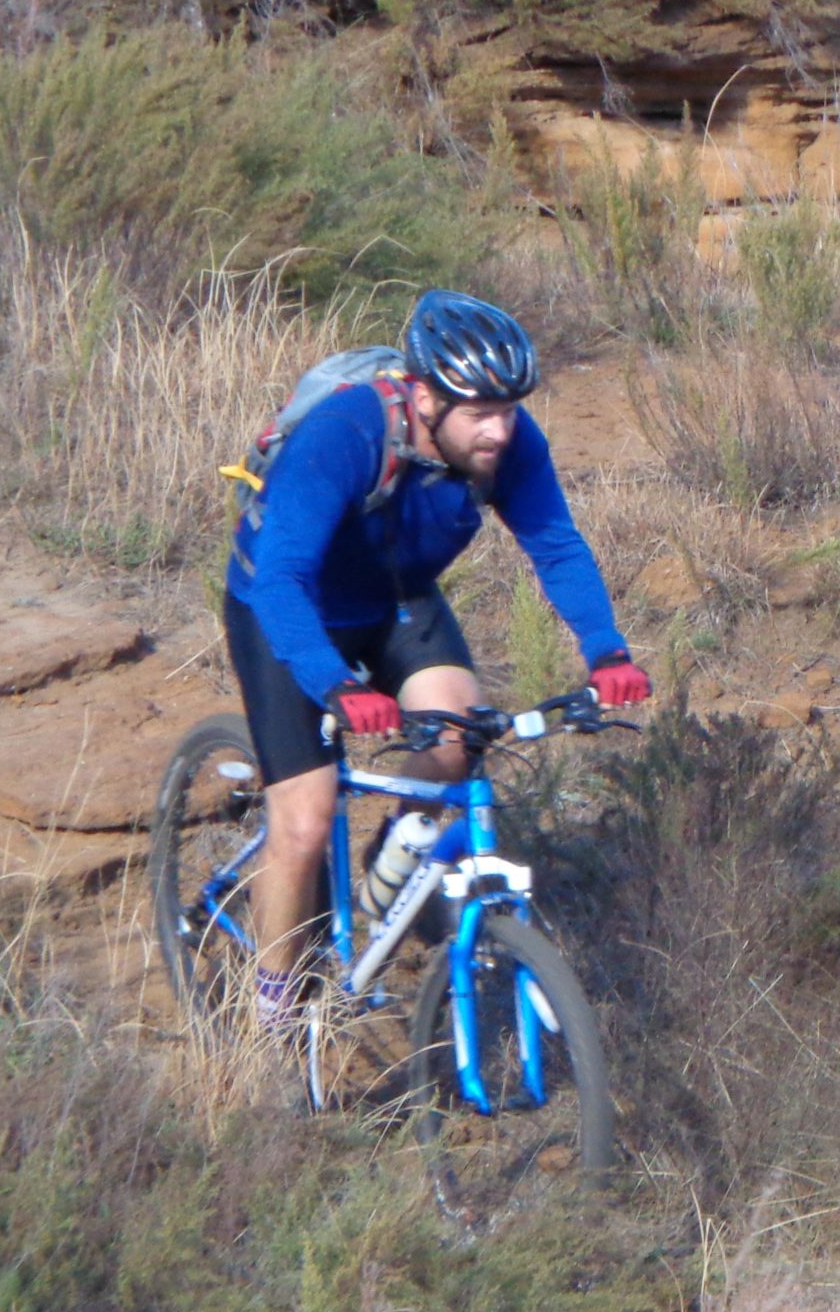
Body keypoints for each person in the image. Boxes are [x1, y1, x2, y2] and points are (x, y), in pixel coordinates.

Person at [223, 288, 652, 1033]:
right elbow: (283, 578)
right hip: (287, 608)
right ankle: (271, 1009)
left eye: (511, 408)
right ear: (423, 397)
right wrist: (333, 683)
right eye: (480, 411)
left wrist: (607, 651)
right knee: (305, 816)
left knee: (456, 744)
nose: (500, 429)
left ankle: (394, 867)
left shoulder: (506, 445)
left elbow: (555, 544)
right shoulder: (344, 435)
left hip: (398, 601)